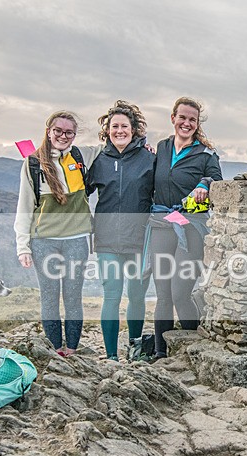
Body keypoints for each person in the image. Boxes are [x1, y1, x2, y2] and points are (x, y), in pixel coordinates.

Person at [14, 111, 100, 357]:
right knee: (49, 298)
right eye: (58, 131)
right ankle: (55, 350)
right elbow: (24, 206)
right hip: (43, 242)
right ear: (49, 131)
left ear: (74, 135)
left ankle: (71, 349)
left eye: (69, 132)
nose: (63, 136)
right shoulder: (33, 164)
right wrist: (23, 246)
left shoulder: (81, 156)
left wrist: (143, 145)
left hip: (76, 240)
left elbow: (113, 146)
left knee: (73, 297)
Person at [145, 97, 222, 358]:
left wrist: (205, 183)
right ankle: (160, 354)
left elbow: (218, 180)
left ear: (197, 124)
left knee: (180, 293)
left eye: (192, 119)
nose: (186, 123)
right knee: (163, 295)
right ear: (173, 118)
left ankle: (195, 350)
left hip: (191, 229)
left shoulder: (206, 154)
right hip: (160, 226)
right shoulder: (162, 148)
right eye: (182, 117)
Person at [86, 100, 155, 361]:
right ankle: (112, 355)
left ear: (134, 129)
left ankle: (135, 350)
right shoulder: (100, 160)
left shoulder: (149, 158)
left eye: (124, 126)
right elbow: (78, 191)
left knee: (136, 297)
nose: (119, 131)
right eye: (114, 126)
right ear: (107, 130)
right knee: (111, 296)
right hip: (106, 241)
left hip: (139, 240)